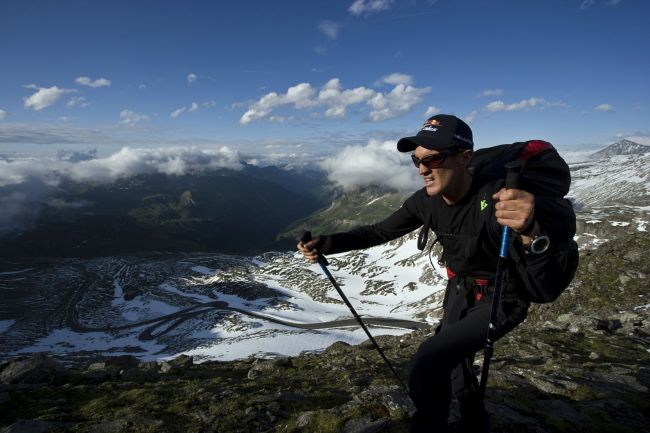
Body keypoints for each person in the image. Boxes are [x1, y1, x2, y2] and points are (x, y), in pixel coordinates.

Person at [297, 114, 577, 432]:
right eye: (417, 161)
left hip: (501, 296)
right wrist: (328, 243)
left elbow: (543, 290)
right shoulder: (426, 202)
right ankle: (474, 421)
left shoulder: (499, 201)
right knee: (454, 362)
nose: (422, 169)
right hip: (459, 289)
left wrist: (529, 232)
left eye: (434, 158)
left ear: (465, 157)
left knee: (429, 361)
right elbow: (377, 232)